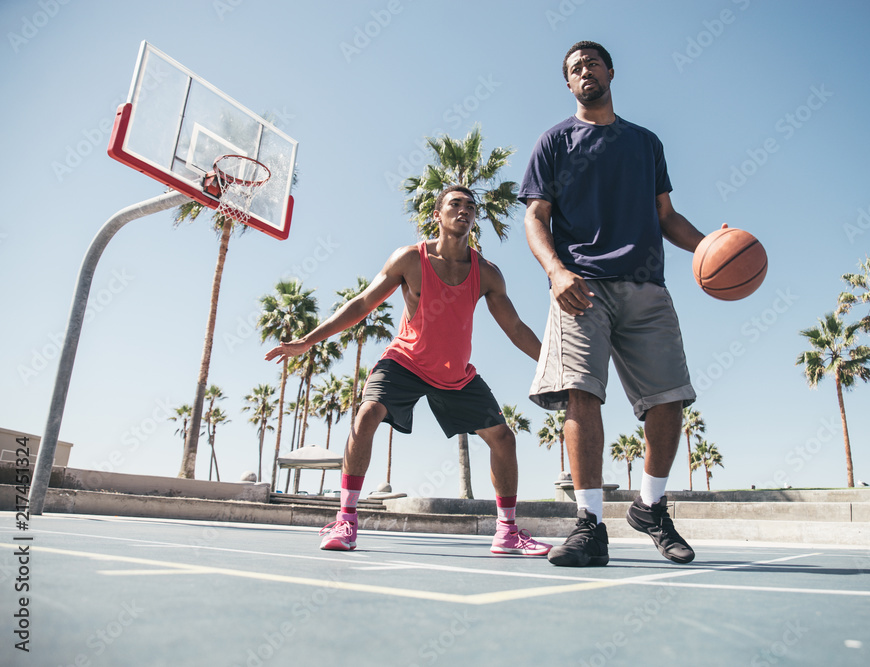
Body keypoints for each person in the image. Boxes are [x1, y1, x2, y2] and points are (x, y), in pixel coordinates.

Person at [265, 186, 551, 557]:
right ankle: (346, 519)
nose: (464, 210)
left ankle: (507, 532)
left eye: (470, 206)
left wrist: (552, 363)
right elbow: (362, 304)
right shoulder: (410, 260)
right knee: (367, 412)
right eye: (455, 204)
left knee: (504, 439)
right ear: (437, 214)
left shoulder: (488, 274)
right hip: (405, 361)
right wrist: (307, 340)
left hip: (455, 374)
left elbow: (515, 329)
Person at [519, 41, 706, 567]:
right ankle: (589, 524)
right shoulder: (554, 142)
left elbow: (666, 216)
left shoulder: (645, 143)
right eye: (574, 68)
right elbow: (535, 218)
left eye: (592, 64)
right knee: (582, 394)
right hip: (581, 285)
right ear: (569, 82)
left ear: (610, 72)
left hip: (647, 287)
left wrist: (709, 246)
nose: (585, 72)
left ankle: (650, 507)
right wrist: (556, 272)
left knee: (669, 400)